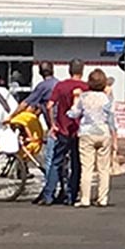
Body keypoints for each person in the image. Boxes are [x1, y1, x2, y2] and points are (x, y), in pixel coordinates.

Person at [41, 58, 88, 206]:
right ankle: (71, 196)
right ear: (82, 70)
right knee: (76, 163)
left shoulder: (61, 86)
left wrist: (53, 124)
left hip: (62, 128)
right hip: (79, 130)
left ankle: (49, 195)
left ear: (69, 70)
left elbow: (49, 105)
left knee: (56, 162)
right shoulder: (86, 87)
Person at [68, 69, 117, 208]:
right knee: (103, 168)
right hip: (103, 132)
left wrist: (74, 100)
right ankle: (103, 198)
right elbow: (112, 118)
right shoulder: (107, 98)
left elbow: (74, 114)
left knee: (87, 167)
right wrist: (114, 136)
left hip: (87, 133)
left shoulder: (84, 97)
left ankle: (85, 198)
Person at [12, 62, 59, 205]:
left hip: (54, 128)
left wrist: (11, 117)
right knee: (60, 160)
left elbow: (26, 104)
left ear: (39, 72)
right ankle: (64, 190)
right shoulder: (58, 84)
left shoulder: (43, 86)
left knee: (51, 160)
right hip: (66, 127)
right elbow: (38, 108)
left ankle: (48, 193)